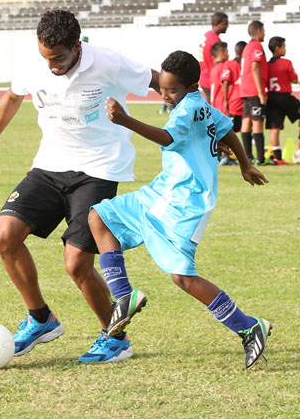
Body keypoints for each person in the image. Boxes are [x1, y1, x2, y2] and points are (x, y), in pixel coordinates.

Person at [0, 9, 158, 364]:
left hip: (98, 169)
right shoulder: (33, 64)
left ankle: (115, 338)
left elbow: (161, 82)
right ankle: (41, 319)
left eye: (59, 58)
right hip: (49, 165)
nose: (51, 65)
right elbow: (12, 98)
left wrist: (202, 123)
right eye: (46, 57)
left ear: (78, 46)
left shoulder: (109, 62)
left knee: (76, 264)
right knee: (4, 235)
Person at [88, 50, 272, 368]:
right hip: (162, 191)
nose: (165, 93)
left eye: (171, 89)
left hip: (186, 203)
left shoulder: (188, 110)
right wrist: (245, 164)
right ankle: (124, 296)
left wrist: (126, 120)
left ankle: (250, 327)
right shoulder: (199, 104)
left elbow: (168, 137)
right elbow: (226, 128)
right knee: (99, 216)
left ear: (189, 87)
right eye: (163, 87)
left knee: (182, 277)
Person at [264, 36, 300, 164]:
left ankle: (278, 157)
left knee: (275, 128)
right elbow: (294, 79)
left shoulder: (266, 65)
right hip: (284, 96)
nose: (285, 49)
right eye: (284, 46)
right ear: (277, 48)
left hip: (271, 97)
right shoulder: (286, 62)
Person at [238, 20, 269, 165]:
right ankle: (260, 158)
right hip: (253, 90)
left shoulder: (247, 47)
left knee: (246, 121)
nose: (264, 33)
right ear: (258, 31)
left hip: (244, 90)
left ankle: (248, 157)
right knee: (257, 122)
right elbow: (255, 67)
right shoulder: (256, 45)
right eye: (263, 31)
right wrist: (261, 92)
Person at [198, 12, 229, 100]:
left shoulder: (207, 35)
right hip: (210, 78)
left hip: (204, 76)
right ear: (216, 24)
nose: (227, 26)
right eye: (224, 24)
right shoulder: (215, 40)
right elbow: (218, 60)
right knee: (214, 107)